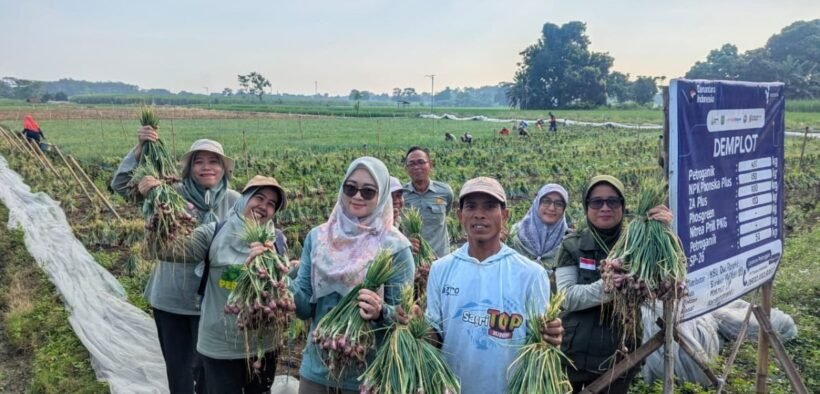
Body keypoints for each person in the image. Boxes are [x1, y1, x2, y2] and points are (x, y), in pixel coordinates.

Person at [111, 128, 240, 394]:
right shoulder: (169, 194)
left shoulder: (235, 201)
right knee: (179, 370)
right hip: (171, 299)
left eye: (214, 161)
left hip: (213, 304)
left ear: (224, 168)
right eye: (199, 161)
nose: (207, 167)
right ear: (190, 167)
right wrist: (140, 149)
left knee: (208, 370)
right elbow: (120, 185)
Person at [424, 177, 564, 394]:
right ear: (460, 215)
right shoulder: (441, 269)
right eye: (471, 206)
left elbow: (540, 341)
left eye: (490, 206)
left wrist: (550, 334)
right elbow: (435, 334)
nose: (480, 214)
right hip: (452, 388)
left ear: (505, 216)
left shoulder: (530, 274)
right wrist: (415, 328)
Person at [291, 157, 414, 394]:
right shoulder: (317, 238)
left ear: (382, 196)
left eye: (368, 191)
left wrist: (380, 313)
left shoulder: (396, 247)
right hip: (316, 370)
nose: (357, 196)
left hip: (367, 377)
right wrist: (278, 280)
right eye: (351, 188)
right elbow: (304, 307)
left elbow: (403, 319)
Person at [156, 176, 288, 394]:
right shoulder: (213, 233)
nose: (263, 206)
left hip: (263, 346)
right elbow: (165, 250)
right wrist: (158, 207)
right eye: (259, 198)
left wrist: (275, 264)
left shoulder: (276, 240)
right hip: (219, 346)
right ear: (243, 199)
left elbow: (283, 290)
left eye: (271, 204)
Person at [555, 175, 672, 393]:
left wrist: (661, 234)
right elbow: (566, 297)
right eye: (597, 202)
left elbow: (662, 284)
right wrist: (609, 286)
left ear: (623, 205)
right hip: (572, 355)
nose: (605, 207)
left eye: (613, 201)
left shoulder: (639, 243)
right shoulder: (572, 245)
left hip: (620, 355)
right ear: (586, 207)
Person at [402, 146, 454, 258]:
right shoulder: (401, 195)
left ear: (430, 165)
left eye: (421, 162)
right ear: (406, 169)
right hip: (412, 259)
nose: (416, 167)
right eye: (411, 164)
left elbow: (447, 212)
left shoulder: (445, 192)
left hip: (440, 259)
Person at [509, 183, 571, 272]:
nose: (552, 208)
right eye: (546, 201)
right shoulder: (514, 234)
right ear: (537, 203)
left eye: (559, 204)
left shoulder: (569, 241)